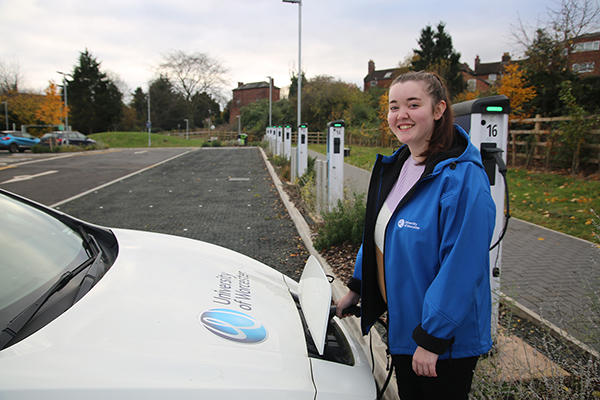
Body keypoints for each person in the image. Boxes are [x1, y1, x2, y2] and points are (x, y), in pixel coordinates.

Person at [336, 71, 496, 399]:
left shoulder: (463, 179)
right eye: (394, 107)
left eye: (413, 104)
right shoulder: (401, 165)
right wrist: (358, 286)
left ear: (438, 110)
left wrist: (432, 338)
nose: (401, 115)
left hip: (444, 343)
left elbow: (462, 269)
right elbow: (379, 233)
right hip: (409, 326)